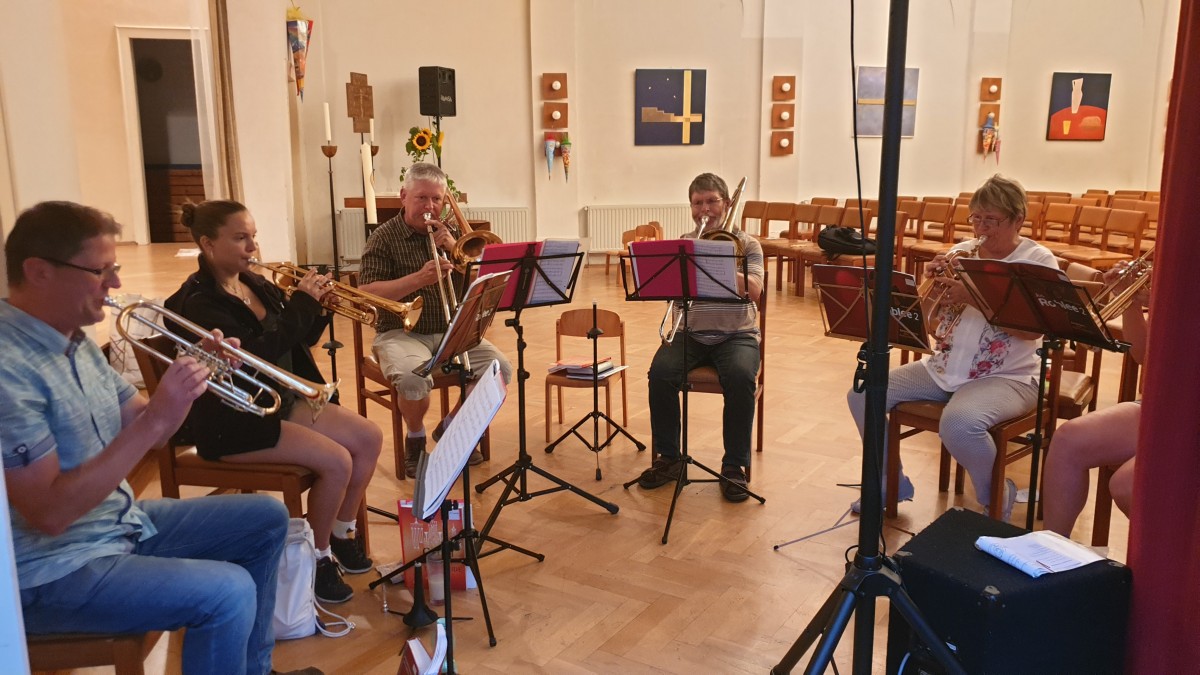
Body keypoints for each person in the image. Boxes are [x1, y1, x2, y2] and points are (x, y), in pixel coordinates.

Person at [1, 201, 296, 675]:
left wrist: (199, 373)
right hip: (53, 569)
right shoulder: (9, 370)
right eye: (100, 271)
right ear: (39, 272)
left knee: (266, 517)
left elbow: (151, 428)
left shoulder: (74, 340)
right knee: (228, 592)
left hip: (117, 524)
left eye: (114, 268)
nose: (115, 284)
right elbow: (50, 514)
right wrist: (155, 421)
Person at [165, 199, 382, 605]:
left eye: (254, 236)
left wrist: (319, 308)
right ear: (208, 244)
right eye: (240, 238)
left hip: (280, 400)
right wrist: (302, 304)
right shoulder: (197, 303)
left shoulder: (256, 283)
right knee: (338, 461)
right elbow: (254, 358)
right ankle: (317, 559)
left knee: (369, 437)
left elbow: (297, 340)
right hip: (236, 419)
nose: (253, 247)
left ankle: (340, 533)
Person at [846, 174, 1059, 521]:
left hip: (1010, 376)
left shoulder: (1037, 261)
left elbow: (1031, 332)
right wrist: (930, 287)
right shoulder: (962, 252)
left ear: (1018, 219)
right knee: (863, 394)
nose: (981, 228)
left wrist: (974, 296)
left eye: (991, 220)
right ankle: (888, 481)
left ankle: (994, 493)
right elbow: (929, 324)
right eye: (976, 218)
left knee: (959, 425)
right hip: (945, 368)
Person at [358, 162, 513, 478]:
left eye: (437, 199)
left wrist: (455, 250)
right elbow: (366, 292)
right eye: (421, 198)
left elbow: (479, 287)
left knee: (499, 369)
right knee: (414, 379)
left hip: (450, 331)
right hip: (400, 333)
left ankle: (452, 427)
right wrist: (418, 279)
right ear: (404, 196)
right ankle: (415, 438)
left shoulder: (451, 236)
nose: (429, 207)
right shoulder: (383, 238)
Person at [637, 173, 765, 502]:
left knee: (740, 377)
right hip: (690, 332)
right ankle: (669, 459)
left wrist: (719, 265)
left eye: (711, 201)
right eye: (697, 203)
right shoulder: (684, 243)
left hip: (737, 334)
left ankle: (734, 466)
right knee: (660, 374)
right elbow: (670, 293)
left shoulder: (749, 245)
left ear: (728, 203)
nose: (704, 209)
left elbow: (754, 290)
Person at [1042, 262, 1150, 538]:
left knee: (1128, 484)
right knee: (1068, 440)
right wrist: (1130, 298)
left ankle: (1170, 565)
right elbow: (1144, 355)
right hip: (1165, 406)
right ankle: (1050, 551)